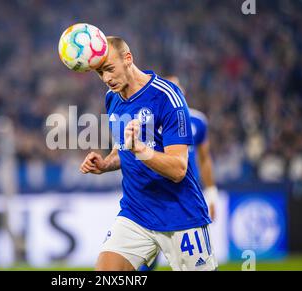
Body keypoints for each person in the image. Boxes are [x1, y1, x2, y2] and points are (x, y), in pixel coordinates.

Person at [79, 36, 217, 271]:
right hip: (136, 211)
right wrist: (106, 163)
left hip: (180, 213)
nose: (107, 78)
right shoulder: (112, 98)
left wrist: (141, 150)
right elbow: (123, 149)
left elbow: (178, 169)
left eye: (110, 69)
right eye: (100, 73)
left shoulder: (167, 97)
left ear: (128, 59)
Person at [138, 76, 219, 271]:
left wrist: (211, 193)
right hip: (154, 197)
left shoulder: (198, 121)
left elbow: (204, 159)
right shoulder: (147, 120)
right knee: (144, 261)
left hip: (185, 197)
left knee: (194, 263)